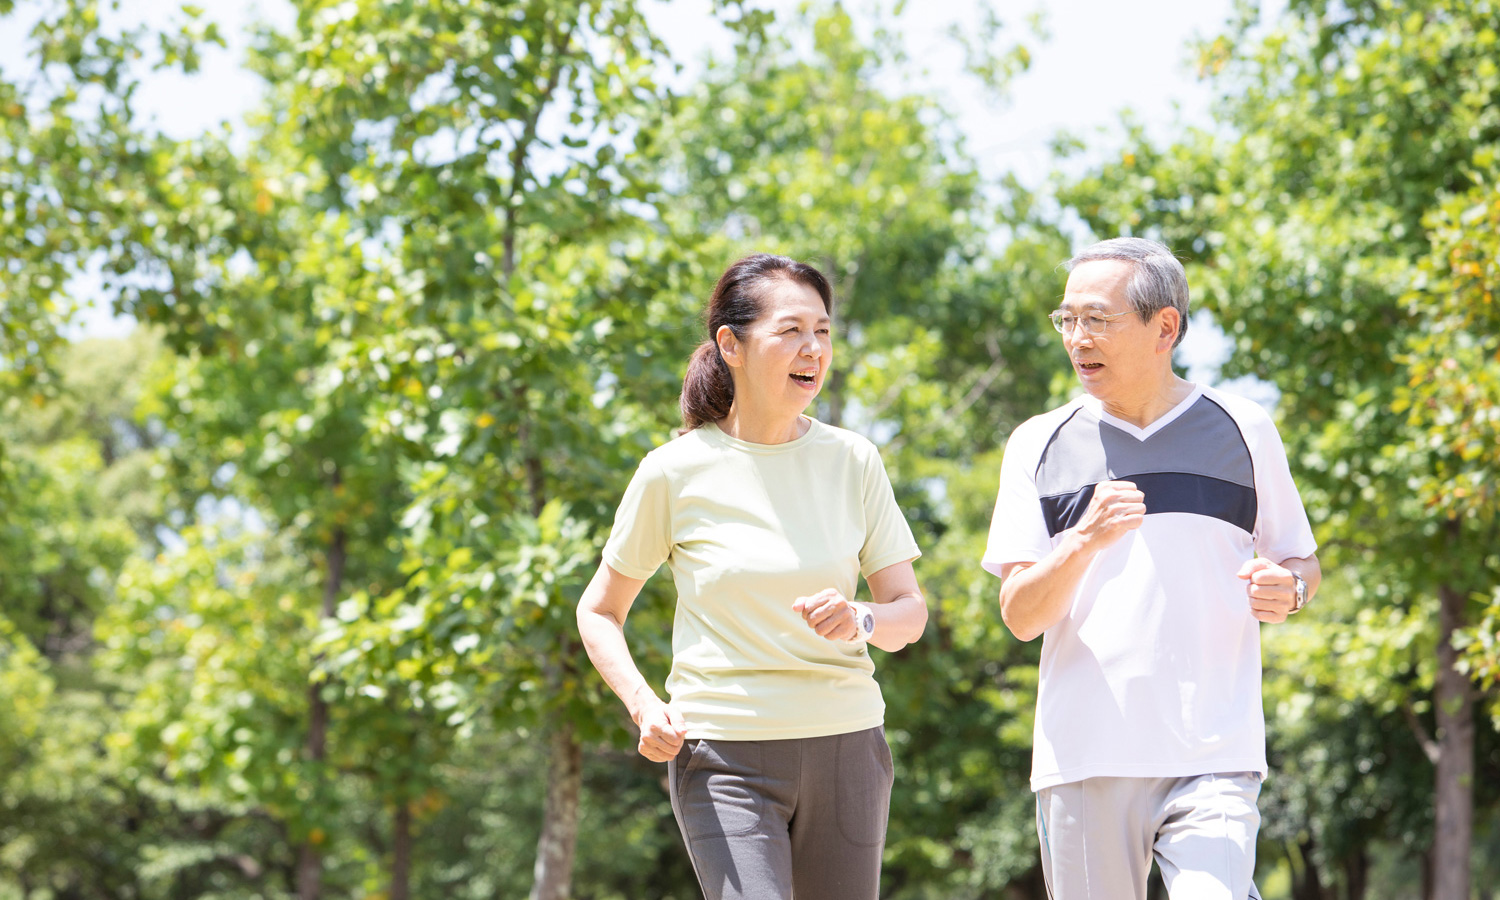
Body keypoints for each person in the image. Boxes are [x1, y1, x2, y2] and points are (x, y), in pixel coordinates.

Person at [577, 253, 928, 900]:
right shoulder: (673, 471)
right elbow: (598, 610)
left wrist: (864, 619)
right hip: (723, 754)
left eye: (823, 331)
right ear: (730, 345)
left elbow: (908, 610)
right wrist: (642, 704)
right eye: (791, 330)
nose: (813, 349)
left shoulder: (854, 460)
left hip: (848, 747)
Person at [983, 237, 1322, 900]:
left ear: (1164, 326)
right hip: (1083, 758)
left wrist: (1293, 589)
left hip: (1213, 755)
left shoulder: (1243, 428)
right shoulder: (1038, 442)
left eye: (1097, 319)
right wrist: (1082, 540)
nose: (1078, 337)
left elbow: (1299, 560)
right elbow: (1021, 615)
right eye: (1067, 320)